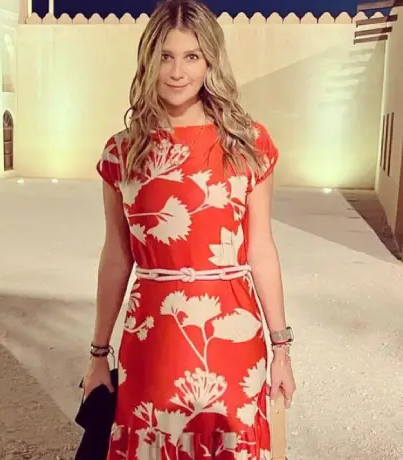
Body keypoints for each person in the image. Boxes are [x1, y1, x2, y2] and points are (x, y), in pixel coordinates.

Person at [83, 0, 296, 457]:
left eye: (191, 56)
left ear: (210, 62)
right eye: (165, 56)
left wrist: (281, 348)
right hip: (151, 337)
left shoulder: (248, 143)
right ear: (148, 62)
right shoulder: (123, 152)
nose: (177, 72)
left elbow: (261, 250)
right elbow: (117, 257)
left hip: (232, 334)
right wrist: (99, 354)